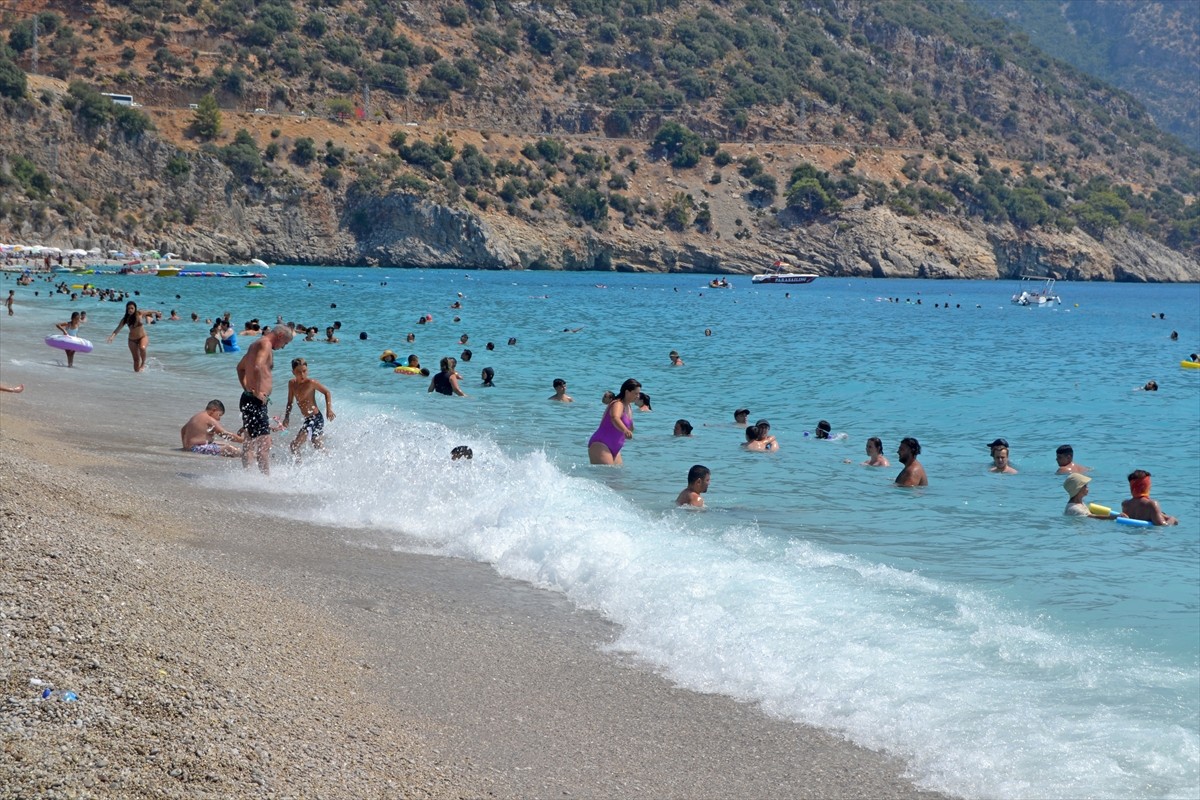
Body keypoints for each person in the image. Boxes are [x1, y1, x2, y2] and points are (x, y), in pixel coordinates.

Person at [236, 325, 294, 474]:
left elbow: (240, 368)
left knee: (249, 441)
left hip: (248, 398)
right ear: (280, 335)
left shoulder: (255, 344)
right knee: (264, 444)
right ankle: (265, 481)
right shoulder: (265, 344)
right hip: (255, 400)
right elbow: (257, 366)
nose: (282, 348)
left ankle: (247, 477)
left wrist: (247, 389)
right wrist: (256, 392)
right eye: (285, 343)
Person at [282, 358, 335, 457]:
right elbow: (290, 402)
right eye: (298, 372)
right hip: (308, 419)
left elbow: (327, 392)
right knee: (315, 444)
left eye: (304, 371)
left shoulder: (311, 383)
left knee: (295, 445)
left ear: (307, 370)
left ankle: (299, 466)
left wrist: (329, 410)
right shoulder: (292, 384)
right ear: (293, 372)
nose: (302, 374)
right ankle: (331, 457)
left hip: (316, 418)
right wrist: (287, 417)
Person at [588, 378, 639, 465]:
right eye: (636, 393)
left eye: (638, 394)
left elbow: (629, 427)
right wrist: (625, 430)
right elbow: (615, 417)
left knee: (617, 478)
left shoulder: (629, 407)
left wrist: (630, 431)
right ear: (627, 392)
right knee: (606, 476)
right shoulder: (618, 404)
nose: (638, 396)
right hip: (601, 444)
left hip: (615, 448)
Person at [107, 300, 156, 372]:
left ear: (135, 308)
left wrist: (156, 312)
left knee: (142, 348)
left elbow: (148, 311)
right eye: (128, 308)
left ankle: (143, 364)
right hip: (132, 340)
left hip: (143, 337)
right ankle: (136, 377)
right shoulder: (125, 319)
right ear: (126, 309)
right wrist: (112, 337)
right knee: (136, 361)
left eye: (132, 308)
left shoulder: (139, 313)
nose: (130, 310)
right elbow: (117, 329)